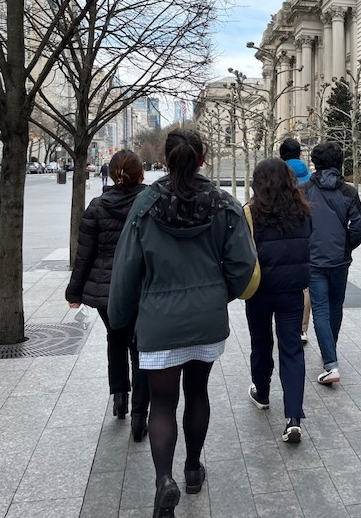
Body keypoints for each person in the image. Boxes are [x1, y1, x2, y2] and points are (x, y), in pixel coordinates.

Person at [109, 129, 257, 518]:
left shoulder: (144, 205)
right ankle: (192, 469)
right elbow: (244, 266)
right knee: (197, 392)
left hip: (158, 322)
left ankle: (164, 481)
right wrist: (215, 294)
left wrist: (120, 317)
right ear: (202, 159)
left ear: (166, 158)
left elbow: (126, 268)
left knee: (162, 403)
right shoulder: (225, 205)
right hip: (205, 320)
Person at [66, 150, 150, 441]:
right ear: (141, 174)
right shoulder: (151, 203)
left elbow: (84, 256)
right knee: (140, 347)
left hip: (107, 290)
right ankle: (141, 412)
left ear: (112, 174)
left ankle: (119, 397)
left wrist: (74, 292)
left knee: (116, 338)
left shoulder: (97, 207)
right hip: (141, 287)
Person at [245, 158, 312, 443]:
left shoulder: (249, 212)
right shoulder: (303, 211)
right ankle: (293, 417)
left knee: (261, 343)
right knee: (292, 350)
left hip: (259, 291)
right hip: (293, 291)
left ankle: (262, 392)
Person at [302, 142, 361, 386]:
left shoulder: (304, 190)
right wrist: (346, 245)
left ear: (315, 164)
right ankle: (330, 352)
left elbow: (296, 225)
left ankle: (331, 363)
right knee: (335, 306)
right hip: (340, 259)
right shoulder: (348, 192)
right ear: (340, 163)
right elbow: (359, 227)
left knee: (320, 308)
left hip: (314, 259)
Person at [279, 137, 312, 344]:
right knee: (304, 286)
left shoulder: (275, 176)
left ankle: (282, 323)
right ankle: (301, 329)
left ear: (281, 155)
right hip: (305, 236)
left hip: (280, 236)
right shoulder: (309, 177)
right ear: (300, 154)